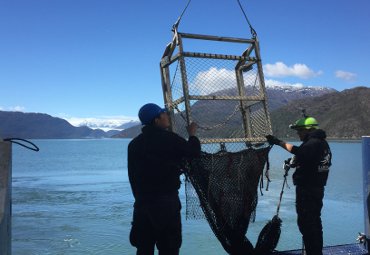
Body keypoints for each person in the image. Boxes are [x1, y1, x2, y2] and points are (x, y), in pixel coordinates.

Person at [128, 103, 201, 255]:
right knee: (169, 249)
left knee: (143, 249)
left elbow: (132, 178)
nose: (168, 117)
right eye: (164, 114)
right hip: (166, 205)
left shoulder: (133, 145)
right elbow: (193, 152)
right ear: (156, 120)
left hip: (142, 206)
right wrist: (192, 135)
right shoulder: (170, 139)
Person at [266, 116, 332, 255]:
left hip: (307, 190)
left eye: (299, 131)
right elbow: (307, 158)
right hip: (317, 189)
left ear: (307, 130)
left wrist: (278, 142)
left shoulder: (312, 143)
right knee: (314, 223)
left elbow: (298, 151)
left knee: (307, 224)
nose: (298, 134)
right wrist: (295, 162)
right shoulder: (322, 144)